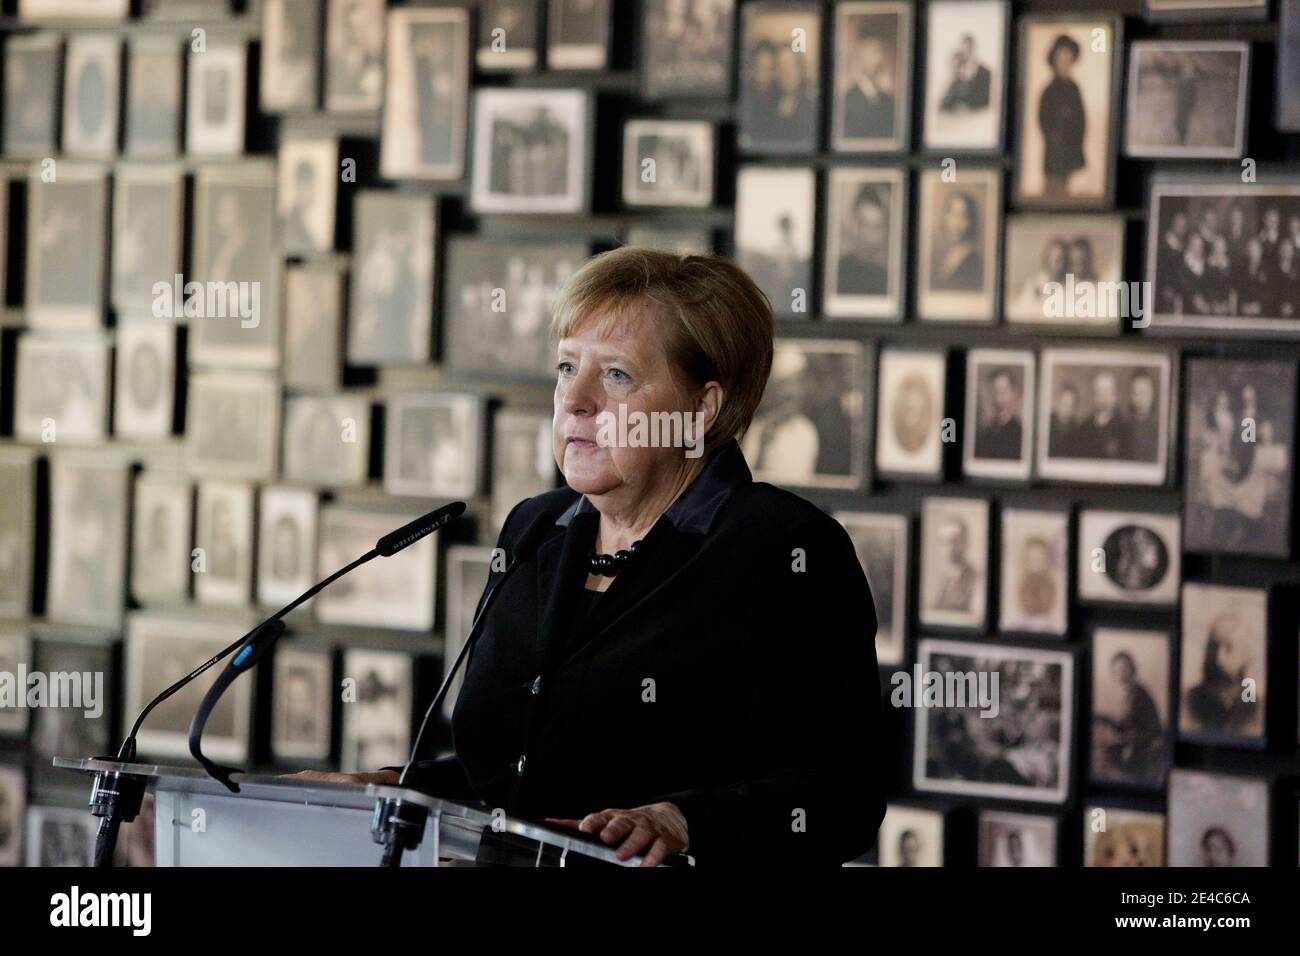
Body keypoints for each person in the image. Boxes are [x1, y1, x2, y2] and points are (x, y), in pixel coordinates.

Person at [294, 249, 886, 867]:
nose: (574, 400)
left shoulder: (784, 551)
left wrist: (683, 821)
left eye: (616, 376)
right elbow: (516, 780)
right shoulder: (536, 529)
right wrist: (396, 787)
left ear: (700, 409)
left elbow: (842, 796)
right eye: (566, 366)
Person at [1038, 34, 1085, 199]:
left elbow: (1081, 119)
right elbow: (1043, 120)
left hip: (1071, 150)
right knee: (1053, 189)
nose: (1065, 63)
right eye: (1061, 59)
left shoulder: (1074, 88)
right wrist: (1055, 136)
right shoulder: (1049, 91)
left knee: (1067, 189)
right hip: (1055, 152)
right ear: (1054, 61)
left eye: (1068, 59)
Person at [840, 28, 894, 142]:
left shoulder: (887, 99)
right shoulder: (846, 99)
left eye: (882, 52)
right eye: (873, 52)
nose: (879, 59)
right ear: (859, 53)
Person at [975, 368, 1022, 460]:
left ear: (1014, 393)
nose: (998, 399)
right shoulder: (984, 434)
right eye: (994, 392)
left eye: (1003, 391)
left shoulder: (1020, 434)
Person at [938, 33, 991, 112]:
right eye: (964, 50)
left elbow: (985, 102)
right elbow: (942, 105)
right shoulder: (957, 76)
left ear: (974, 49)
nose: (967, 53)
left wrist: (968, 107)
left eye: (969, 49)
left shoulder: (985, 72)